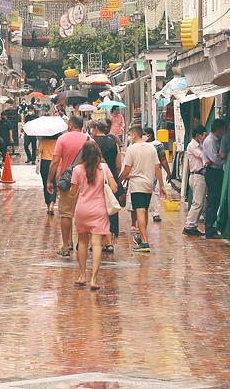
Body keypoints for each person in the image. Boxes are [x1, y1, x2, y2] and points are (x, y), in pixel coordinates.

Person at [69, 140, 117, 290]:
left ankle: (82, 276)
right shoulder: (103, 168)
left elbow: (72, 192)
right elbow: (114, 188)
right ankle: (93, 279)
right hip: (99, 210)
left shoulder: (77, 169)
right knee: (96, 244)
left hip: (82, 209)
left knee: (82, 242)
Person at [46, 116, 89, 257]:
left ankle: (65, 246)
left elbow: (55, 162)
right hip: (86, 183)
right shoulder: (90, 140)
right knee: (84, 214)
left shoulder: (62, 139)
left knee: (66, 214)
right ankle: (82, 243)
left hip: (68, 182)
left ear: (70, 125)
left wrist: (49, 181)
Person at [120, 125, 161, 253]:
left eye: (130, 135)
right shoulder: (151, 148)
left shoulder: (131, 149)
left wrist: (117, 180)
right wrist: (162, 185)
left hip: (137, 184)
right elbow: (157, 167)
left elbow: (126, 169)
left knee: (139, 212)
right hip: (149, 184)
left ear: (134, 135)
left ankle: (144, 242)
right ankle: (143, 237)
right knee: (145, 210)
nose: (129, 138)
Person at [90, 119, 121, 252]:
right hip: (110, 178)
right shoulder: (113, 142)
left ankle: (96, 241)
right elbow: (118, 164)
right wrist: (113, 177)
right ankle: (109, 242)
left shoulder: (90, 143)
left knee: (95, 210)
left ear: (96, 128)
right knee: (109, 208)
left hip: (93, 179)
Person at [201, 119, 229, 239]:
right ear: (218, 129)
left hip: (215, 172)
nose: (224, 131)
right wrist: (227, 164)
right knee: (213, 200)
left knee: (215, 200)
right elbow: (215, 159)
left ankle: (211, 227)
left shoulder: (214, 140)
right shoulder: (211, 141)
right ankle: (209, 229)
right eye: (223, 129)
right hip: (213, 172)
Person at [183, 125, 208, 236]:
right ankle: (189, 226)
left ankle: (193, 226)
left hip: (200, 176)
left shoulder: (200, 145)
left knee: (200, 203)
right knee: (197, 203)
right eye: (203, 135)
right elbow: (204, 156)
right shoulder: (192, 146)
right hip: (197, 176)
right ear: (199, 135)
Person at [38, 134, 59, 216]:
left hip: (44, 163)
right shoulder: (57, 142)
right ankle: (52, 204)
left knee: (45, 183)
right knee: (53, 183)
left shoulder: (42, 141)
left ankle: (47, 205)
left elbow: (37, 152)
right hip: (54, 162)